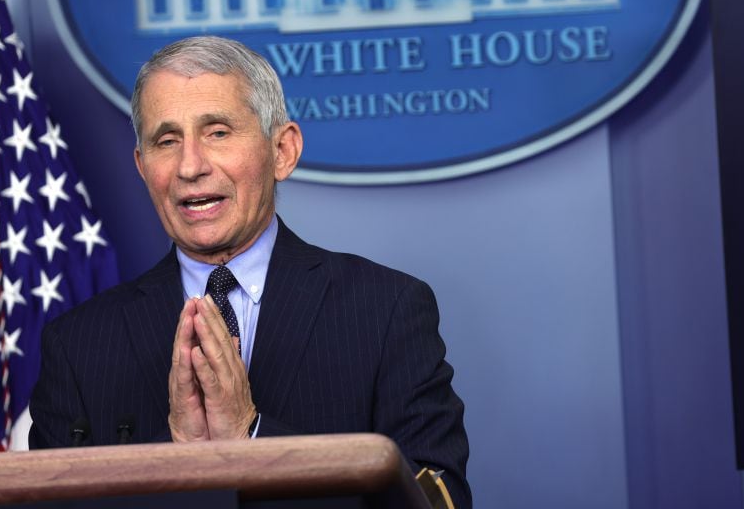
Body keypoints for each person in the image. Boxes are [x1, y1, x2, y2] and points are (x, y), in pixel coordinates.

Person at [28, 36, 471, 507]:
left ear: (283, 151)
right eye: (167, 140)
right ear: (142, 166)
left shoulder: (386, 312)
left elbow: (436, 503)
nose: (190, 166)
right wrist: (175, 455)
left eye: (217, 132)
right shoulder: (77, 346)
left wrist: (251, 436)